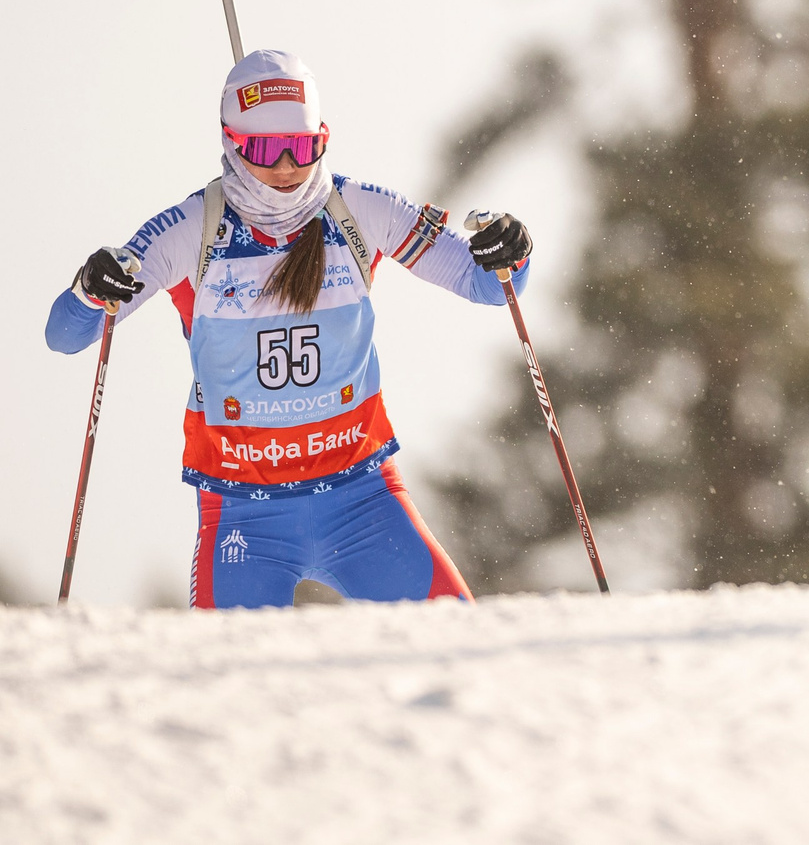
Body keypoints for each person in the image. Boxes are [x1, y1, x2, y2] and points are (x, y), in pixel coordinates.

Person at [45, 48, 535, 609]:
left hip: (364, 503)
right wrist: (91, 289)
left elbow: (486, 285)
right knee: (225, 667)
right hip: (244, 514)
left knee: (459, 643)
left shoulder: (360, 210)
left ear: (323, 139)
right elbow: (66, 337)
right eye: (263, 150)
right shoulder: (189, 229)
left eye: (301, 148)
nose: (285, 168)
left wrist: (510, 253)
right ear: (231, 142)